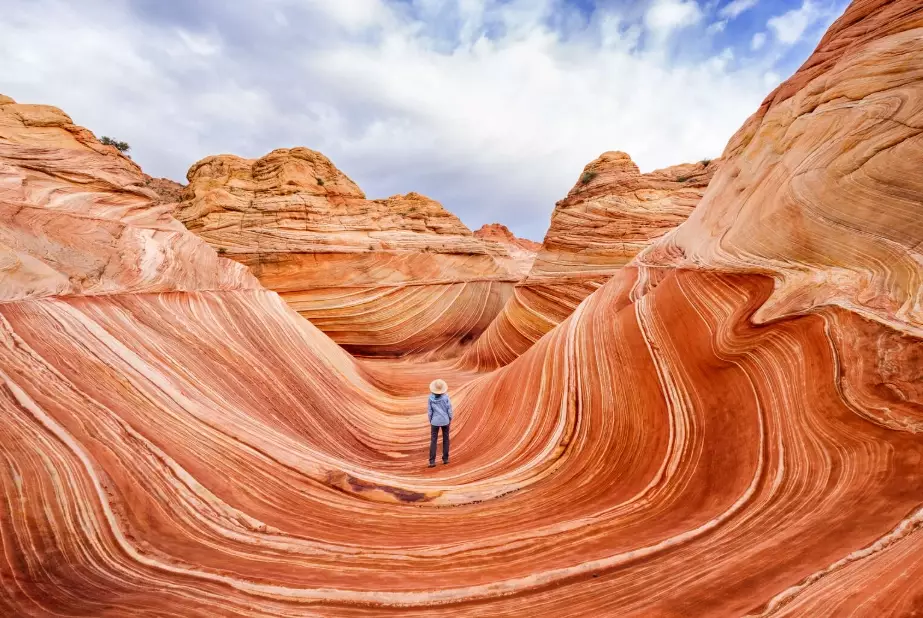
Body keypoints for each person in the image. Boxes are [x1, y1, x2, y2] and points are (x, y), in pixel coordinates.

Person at [427, 379, 453, 467]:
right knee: (446, 439)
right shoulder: (446, 397)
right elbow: (449, 409)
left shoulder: (430, 398)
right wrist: (450, 418)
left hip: (434, 421)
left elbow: (430, 411)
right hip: (445, 420)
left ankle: (432, 461)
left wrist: (431, 420)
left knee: (433, 440)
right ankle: (445, 459)